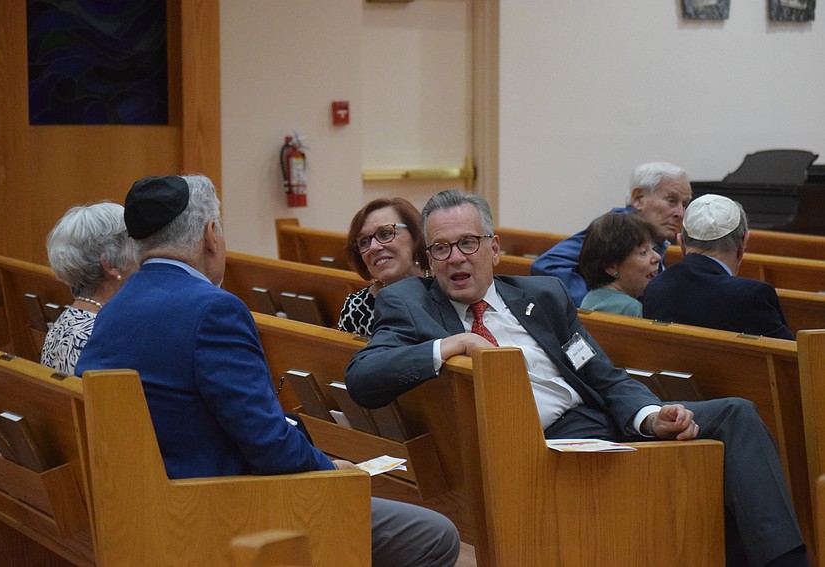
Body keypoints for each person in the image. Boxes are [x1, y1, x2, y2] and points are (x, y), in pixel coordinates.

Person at [346, 189, 808, 567]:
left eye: (468, 243)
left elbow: (603, 377)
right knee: (702, 478)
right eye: (441, 248)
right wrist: (453, 345)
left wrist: (650, 416)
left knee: (736, 415)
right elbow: (363, 377)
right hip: (541, 452)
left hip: (600, 428)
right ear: (429, 257)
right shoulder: (410, 303)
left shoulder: (541, 295)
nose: (455, 258)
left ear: (493, 247)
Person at [74, 174, 460, 567]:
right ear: (210, 235)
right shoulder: (213, 309)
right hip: (217, 508)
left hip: (137, 505)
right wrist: (328, 470)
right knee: (435, 535)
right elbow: (265, 442)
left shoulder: (114, 309)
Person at [531, 161, 692, 305]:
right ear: (638, 198)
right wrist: (599, 304)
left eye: (684, 204)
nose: (680, 213)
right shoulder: (619, 229)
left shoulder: (653, 235)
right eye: (671, 200)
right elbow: (546, 264)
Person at [643, 194, 794, 340]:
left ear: (681, 243)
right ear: (743, 243)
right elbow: (794, 358)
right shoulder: (753, 296)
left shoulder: (656, 286)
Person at [41, 201, 137, 375]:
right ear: (110, 265)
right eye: (136, 247)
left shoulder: (66, 319)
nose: (141, 258)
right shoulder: (104, 336)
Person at [338, 197, 428, 337]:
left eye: (385, 233)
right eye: (364, 242)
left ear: (415, 235)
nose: (373, 247)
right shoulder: (356, 308)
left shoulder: (445, 290)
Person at [578, 212, 661, 317]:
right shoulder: (630, 308)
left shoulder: (590, 298)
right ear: (611, 266)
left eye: (653, 249)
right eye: (643, 252)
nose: (657, 257)